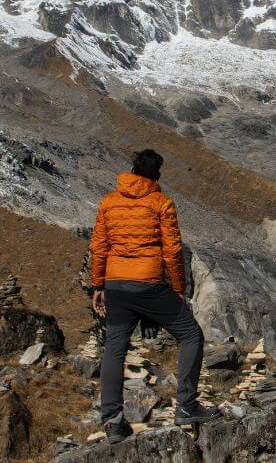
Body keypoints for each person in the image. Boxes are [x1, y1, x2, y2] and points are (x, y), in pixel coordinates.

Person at [90, 149, 220, 442]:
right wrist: (178, 290)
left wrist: (98, 285)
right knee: (190, 335)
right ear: (157, 175)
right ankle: (186, 406)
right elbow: (172, 250)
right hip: (148, 283)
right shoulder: (161, 203)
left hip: (116, 285)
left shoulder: (109, 202)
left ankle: (112, 421)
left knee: (114, 349)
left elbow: (99, 246)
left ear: (132, 170)